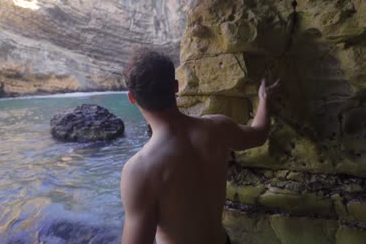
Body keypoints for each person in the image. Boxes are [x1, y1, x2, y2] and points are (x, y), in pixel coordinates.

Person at [120, 48, 280, 244]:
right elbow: (259, 134)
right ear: (176, 86)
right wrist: (264, 99)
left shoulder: (140, 169)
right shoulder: (217, 128)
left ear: (131, 98)